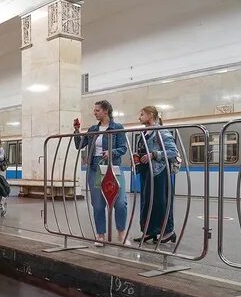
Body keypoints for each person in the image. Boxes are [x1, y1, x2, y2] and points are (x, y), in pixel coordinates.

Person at [73, 100, 128, 246]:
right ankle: (100, 235)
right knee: (98, 204)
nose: (94, 112)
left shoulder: (117, 128)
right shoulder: (92, 129)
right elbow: (79, 145)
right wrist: (77, 131)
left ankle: (121, 234)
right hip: (94, 168)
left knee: (120, 203)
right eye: (95, 110)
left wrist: (112, 152)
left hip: (113, 168)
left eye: (97, 110)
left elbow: (123, 148)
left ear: (105, 111)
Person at [135, 106, 178, 244]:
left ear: (151, 115)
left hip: (159, 172)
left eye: (142, 114)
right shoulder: (145, 133)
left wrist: (154, 154)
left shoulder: (161, 132)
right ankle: (149, 231)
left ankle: (168, 231)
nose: (139, 117)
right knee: (147, 202)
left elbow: (173, 152)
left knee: (161, 202)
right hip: (147, 171)